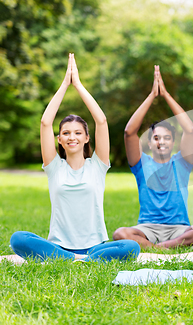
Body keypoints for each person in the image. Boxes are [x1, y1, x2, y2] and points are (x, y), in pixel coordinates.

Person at [9, 54, 140, 262]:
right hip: (59, 245)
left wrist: (78, 84)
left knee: (131, 247)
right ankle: (73, 259)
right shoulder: (54, 167)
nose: (72, 137)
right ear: (59, 139)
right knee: (18, 239)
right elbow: (45, 122)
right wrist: (64, 84)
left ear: (87, 138)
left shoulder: (98, 165)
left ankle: (71, 259)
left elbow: (102, 121)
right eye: (66, 133)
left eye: (78, 133)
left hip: (96, 247)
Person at [112, 66, 193, 249]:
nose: (161, 142)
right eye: (156, 138)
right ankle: (169, 247)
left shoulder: (182, 162)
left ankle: (158, 248)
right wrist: (152, 95)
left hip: (179, 229)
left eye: (167, 138)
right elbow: (129, 132)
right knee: (121, 233)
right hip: (147, 228)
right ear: (150, 143)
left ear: (173, 142)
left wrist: (166, 95)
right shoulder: (141, 163)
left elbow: (190, 130)